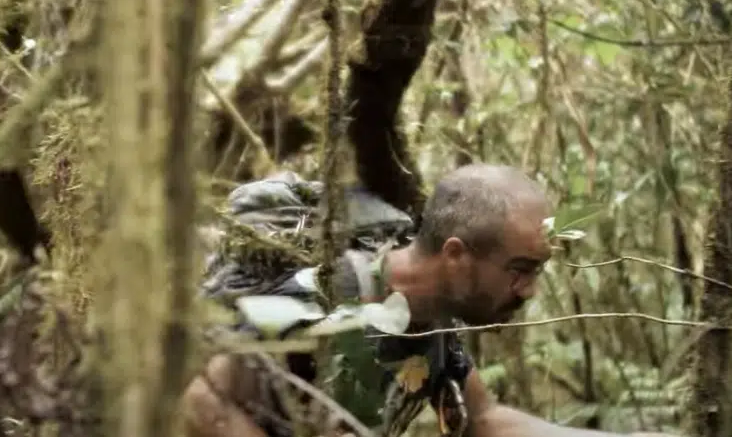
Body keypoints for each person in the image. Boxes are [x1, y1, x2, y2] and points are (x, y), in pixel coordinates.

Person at [183, 163, 682, 437]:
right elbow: (201, 399)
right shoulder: (337, 291)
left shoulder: (430, 326)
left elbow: (484, 420)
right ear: (456, 255)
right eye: (520, 270)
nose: (528, 290)